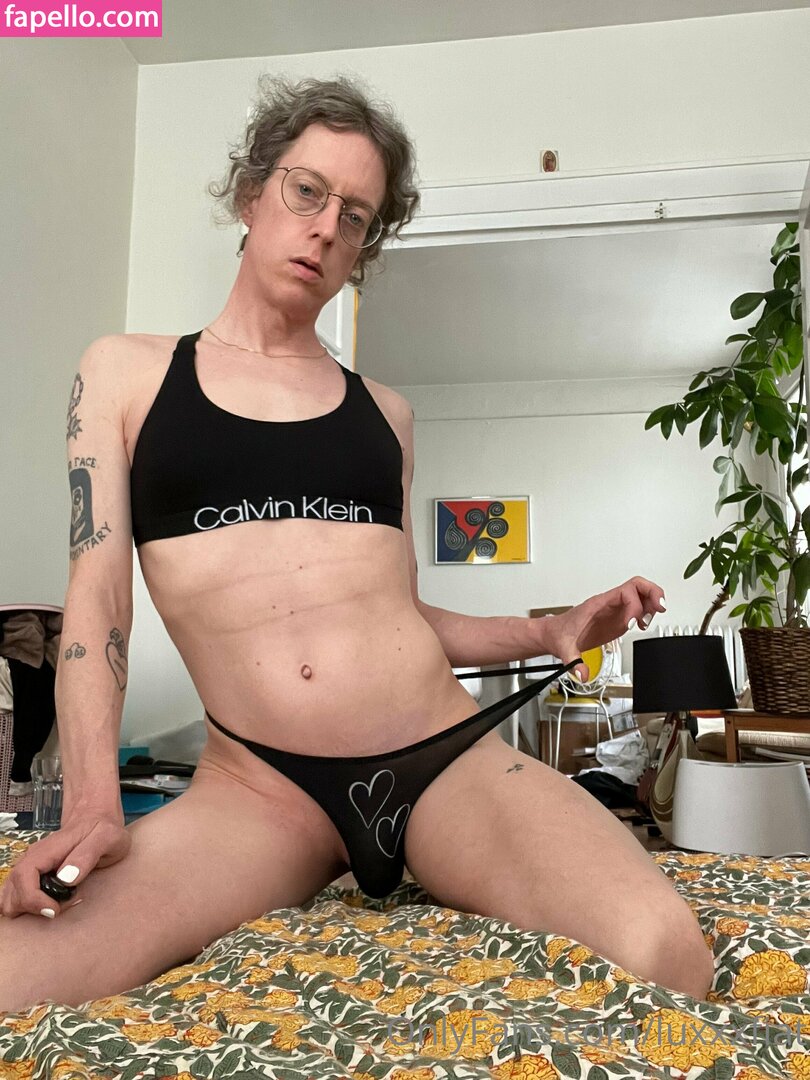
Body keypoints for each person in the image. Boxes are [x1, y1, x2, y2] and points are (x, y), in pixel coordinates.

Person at [0, 75, 713, 1012]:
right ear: (251, 193)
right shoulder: (127, 375)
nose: (326, 229)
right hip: (259, 791)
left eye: (357, 217)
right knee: (16, 972)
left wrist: (548, 633)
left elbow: (399, 615)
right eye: (307, 191)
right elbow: (98, 599)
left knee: (666, 955)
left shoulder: (386, 414)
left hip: (441, 760)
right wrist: (94, 800)